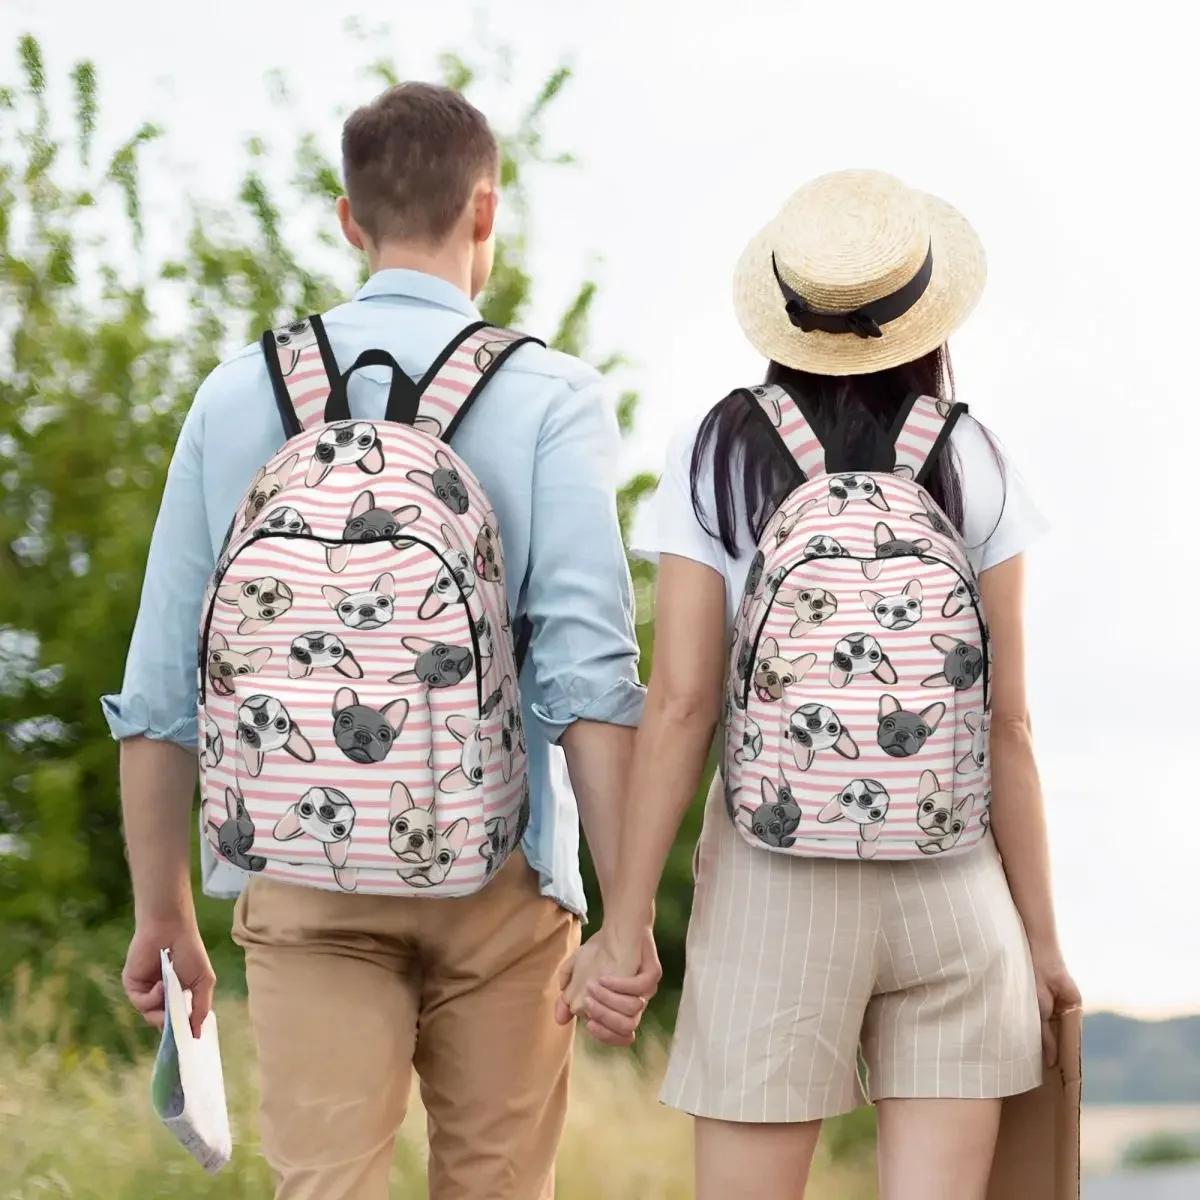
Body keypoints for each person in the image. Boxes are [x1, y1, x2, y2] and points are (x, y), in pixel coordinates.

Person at [105, 81, 660, 1200]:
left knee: (325, 1186)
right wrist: (627, 916)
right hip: (502, 877)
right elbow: (589, 680)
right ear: (486, 212)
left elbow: (163, 683)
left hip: (302, 876)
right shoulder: (551, 395)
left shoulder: (236, 394)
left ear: (349, 219)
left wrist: (162, 910)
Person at [559, 169, 1081, 1200]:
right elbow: (1009, 723)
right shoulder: (974, 455)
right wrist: (1043, 944)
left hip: (773, 884)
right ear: (925, 315)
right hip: (954, 885)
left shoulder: (717, 450)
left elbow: (681, 704)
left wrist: (624, 928)